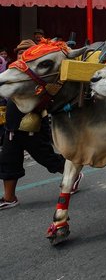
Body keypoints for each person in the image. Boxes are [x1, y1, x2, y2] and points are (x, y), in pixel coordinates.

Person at [0, 40, 83, 210]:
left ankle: (73, 175)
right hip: (12, 126)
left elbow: (49, 96)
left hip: (32, 124)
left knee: (45, 156)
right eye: (19, 52)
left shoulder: (38, 74)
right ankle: (9, 197)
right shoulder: (14, 70)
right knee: (8, 160)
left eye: (25, 52)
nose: (21, 55)